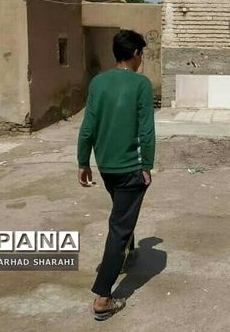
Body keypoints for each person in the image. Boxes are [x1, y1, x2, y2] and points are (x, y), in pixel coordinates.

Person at [77, 29, 155, 320]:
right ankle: (103, 296)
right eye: (142, 54)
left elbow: (88, 126)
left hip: (106, 167)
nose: (142, 58)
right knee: (119, 227)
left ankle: (127, 252)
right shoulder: (141, 85)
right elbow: (146, 130)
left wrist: (83, 161)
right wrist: (147, 164)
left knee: (122, 213)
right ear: (135, 53)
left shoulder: (98, 83)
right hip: (130, 168)